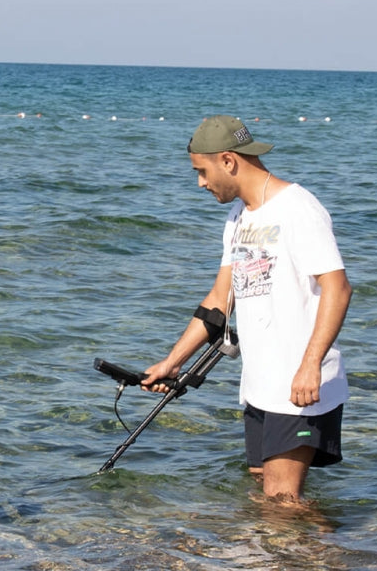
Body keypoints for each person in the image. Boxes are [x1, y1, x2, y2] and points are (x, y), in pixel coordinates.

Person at [142, 115, 352, 504]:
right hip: (261, 385)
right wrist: (172, 362)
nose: (200, 183)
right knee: (264, 490)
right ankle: (286, 562)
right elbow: (219, 302)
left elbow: (338, 288)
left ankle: (329, 563)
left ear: (228, 160)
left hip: (300, 385)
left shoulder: (298, 208)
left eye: (202, 172)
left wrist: (310, 365)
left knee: (281, 501)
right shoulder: (238, 218)